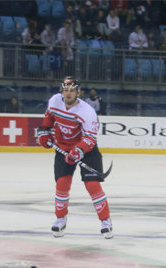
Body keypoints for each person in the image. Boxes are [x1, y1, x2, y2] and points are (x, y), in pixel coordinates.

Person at [37, 77, 113, 239]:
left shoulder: (87, 111)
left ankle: (106, 221)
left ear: (78, 92)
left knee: (92, 185)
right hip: (63, 148)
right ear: (62, 91)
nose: (69, 93)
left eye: (72, 90)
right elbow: (49, 117)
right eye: (66, 90)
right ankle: (60, 219)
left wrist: (78, 151)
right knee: (62, 184)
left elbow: (90, 138)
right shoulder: (55, 101)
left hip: (86, 150)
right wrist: (44, 131)